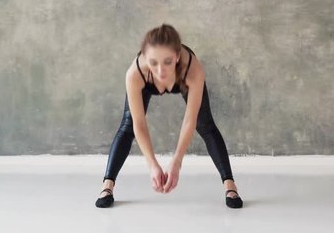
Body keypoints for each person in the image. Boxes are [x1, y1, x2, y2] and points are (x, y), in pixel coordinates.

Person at [95, 23, 243, 209]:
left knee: (205, 124)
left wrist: (177, 161)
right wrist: (152, 165)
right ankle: (107, 185)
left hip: (182, 79)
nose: (160, 71)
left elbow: (190, 120)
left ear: (177, 57)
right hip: (144, 82)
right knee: (128, 124)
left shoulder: (193, 70)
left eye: (167, 62)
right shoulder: (135, 74)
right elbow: (139, 124)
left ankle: (230, 185)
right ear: (145, 58)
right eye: (153, 62)